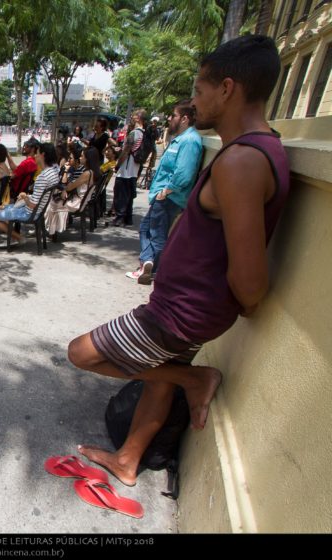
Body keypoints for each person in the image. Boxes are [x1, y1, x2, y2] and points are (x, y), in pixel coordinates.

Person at [67, 35, 290, 487]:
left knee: (81, 353)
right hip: (190, 305)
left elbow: (250, 277)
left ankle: (195, 381)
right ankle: (129, 460)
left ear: (227, 89)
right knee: (158, 378)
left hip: (182, 312)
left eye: (199, 89)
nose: (194, 100)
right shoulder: (252, 150)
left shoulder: (243, 161)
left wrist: (237, 302)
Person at [126, 99, 204, 285]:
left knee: (156, 233)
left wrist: (166, 191)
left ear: (184, 119)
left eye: (174, 115)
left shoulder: (190, 141)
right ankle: (148, 263)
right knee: (148, 229)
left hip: (170, 197)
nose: (170, 118)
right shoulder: (180, 139)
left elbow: (184, 173)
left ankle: (152, 268)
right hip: (163, 195)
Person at [0, 142, 60, 248]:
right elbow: (39, 198)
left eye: (38, 153)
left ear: (43, 155)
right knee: (2, 207)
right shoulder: (53, 173)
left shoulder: (42, 177)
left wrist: (24, 196)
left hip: (29, 212)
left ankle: (18, 237)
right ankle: (14, 236)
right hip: (39, 210)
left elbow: (32, 205)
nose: (35, 156)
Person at [45, 147, 102, 236]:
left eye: (82, 156)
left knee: (50, 202)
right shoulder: (92, 172)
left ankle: (50, 229)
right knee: (54, 200)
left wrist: (65, 189)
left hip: (77, 203)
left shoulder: (86, 173)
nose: (80, 158)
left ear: (88, 159)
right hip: (81, 200)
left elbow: (70, 187)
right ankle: (50, 229)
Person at [112, 110, 146, 226]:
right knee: (129, 195)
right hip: (134, 169)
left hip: (126, 169)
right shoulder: (143, 133)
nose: (131, 118)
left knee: (121, 195)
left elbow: (126, 151)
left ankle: (119, 218)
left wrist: (117, 165)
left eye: (133, 116)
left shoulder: (134, 133)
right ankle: (128, 218)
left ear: (138, 118)